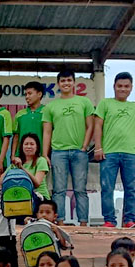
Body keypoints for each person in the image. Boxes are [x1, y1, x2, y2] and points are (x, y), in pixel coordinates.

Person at [92, 72, 135, 228]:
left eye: (126, 86)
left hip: (130, 153)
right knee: (107, 187)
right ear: (114, 87)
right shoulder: (105, 103)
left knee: (131, 188)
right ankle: (109, 220)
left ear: (131, 88)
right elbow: (98, 125)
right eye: (120, 86)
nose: (123, 89)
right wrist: (98, 147)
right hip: (109, 152)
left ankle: (129, 220)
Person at [43, 70, 95, 226]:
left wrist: (84, 146)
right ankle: (60, 222)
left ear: (74, 83)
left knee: (80, 189)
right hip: (58, 152)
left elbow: (90, 126)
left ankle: (84, 223)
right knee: (59, 190)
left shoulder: (84, 102)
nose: (66, 83)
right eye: (63, 81)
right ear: (58, 84)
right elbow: (47, 131)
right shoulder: (51, 106)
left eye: (69, 80)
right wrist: (45, 154)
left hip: (79, 152)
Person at [11, 133, 50, 201]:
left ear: (37, 147)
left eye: (32, 144)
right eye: (26, 144)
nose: (29, 147)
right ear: (22, 146)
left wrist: (21, 168)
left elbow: (37, 183)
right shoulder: (17, 162)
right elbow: (1, 181)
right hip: (22, 197)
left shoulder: (41, 160)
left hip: (39, 198)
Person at [12, 82, 45, 160]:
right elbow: (16, 136)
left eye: (30, 93)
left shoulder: (47, 112)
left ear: (39, 94)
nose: (27, 97)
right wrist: (13, 156)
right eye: (25, 94)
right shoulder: (20, 114)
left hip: (41, 157)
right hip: (21, 157)